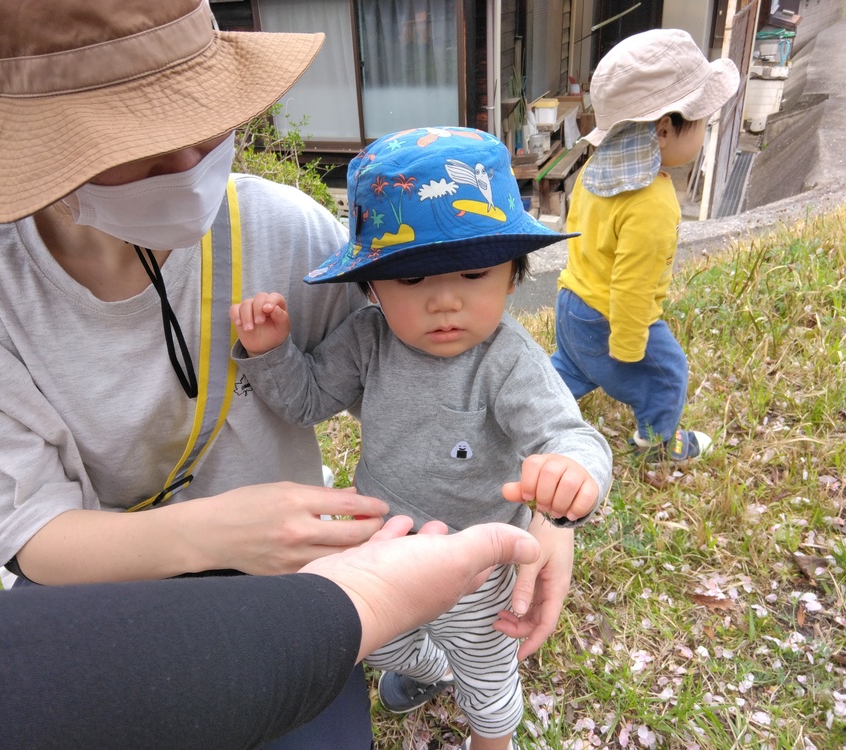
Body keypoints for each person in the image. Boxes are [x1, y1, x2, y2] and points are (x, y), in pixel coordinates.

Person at [0, 2, 586, 746]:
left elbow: (431, 385)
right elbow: (29, 531)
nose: (187, 163)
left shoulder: (284, 231)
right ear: (29, 141)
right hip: (94, 597)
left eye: (201, 116)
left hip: (293, 580)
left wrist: (550, 509)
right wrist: (215, 531)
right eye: (135, 137)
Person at [231, 126, 614, 750]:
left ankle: (489, 730)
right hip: (384, 544)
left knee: (486, 673)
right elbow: (307, 402)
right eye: (410, 280)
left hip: (479, 562)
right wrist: (271, 352)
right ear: (372, 286)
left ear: (512, 276)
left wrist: (574, 472)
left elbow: (568, 434)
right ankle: (431, 669)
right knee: (380, 642)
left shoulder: (508, 360)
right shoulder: (367, 339)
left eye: (473, 272)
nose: (443, 301)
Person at [0, 517, 541, 750]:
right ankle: (430, 669)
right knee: (394, 644)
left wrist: (560, 511)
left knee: (477, 665)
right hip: (358, 580)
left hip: (430, 576)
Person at [552, 29, 740, 461]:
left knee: (572, 366)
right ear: (664, 129)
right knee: (667, 375)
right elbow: (633, 285)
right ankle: (657, 445)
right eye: (701, 122)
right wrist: (629, 346)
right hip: (610, 317)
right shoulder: (652, 202)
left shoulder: (594, 171)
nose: (705, 130)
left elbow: (577, 232)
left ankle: (523, 407)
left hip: (572, 303)